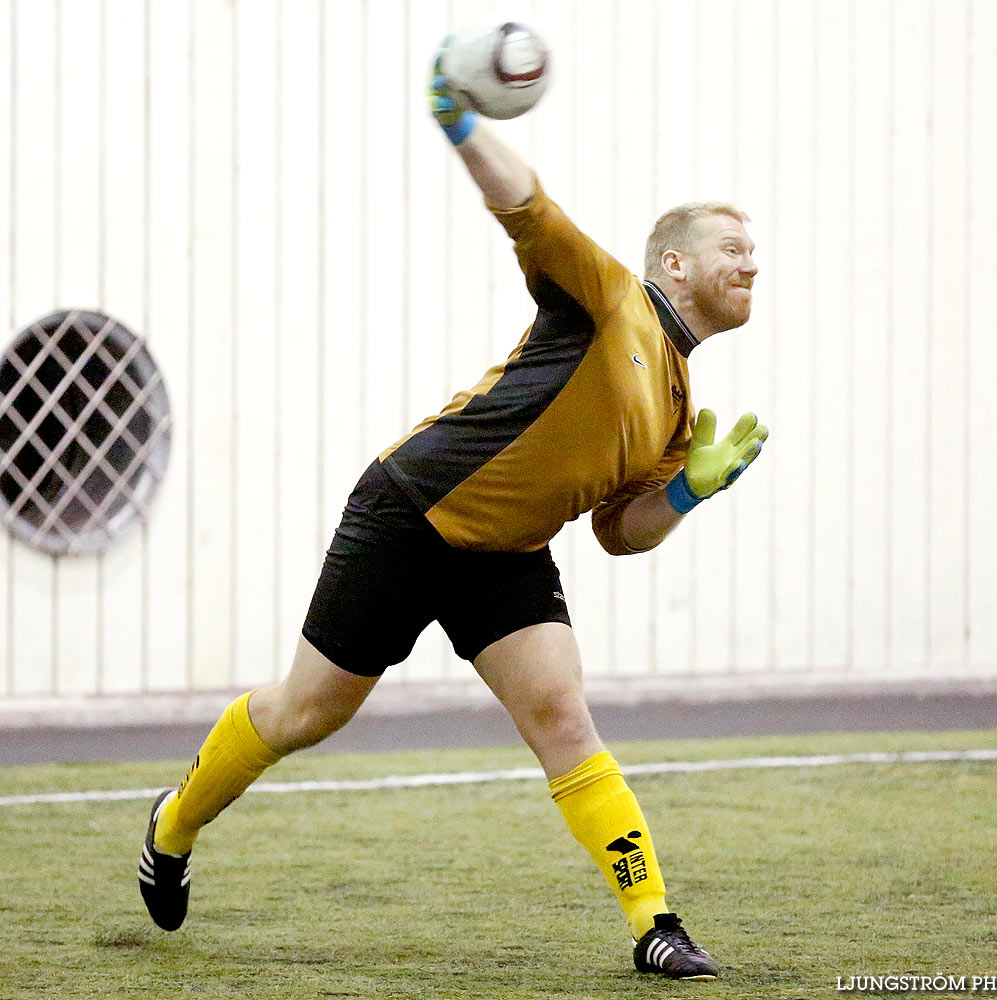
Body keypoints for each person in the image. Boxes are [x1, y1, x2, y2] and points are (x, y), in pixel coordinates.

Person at [137, 49, 767, 983]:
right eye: (733, 249)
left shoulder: (678, 408)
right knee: (306, 711)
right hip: (408, 512)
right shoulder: (612, 299)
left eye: (754, 254)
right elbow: (529, 210)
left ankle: (655, 923)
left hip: (506, 550)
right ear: (675, 263)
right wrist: (463, 122)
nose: (752, 263)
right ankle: (172, 824)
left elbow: (618, 533)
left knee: (563, 716)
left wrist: (685, 491)